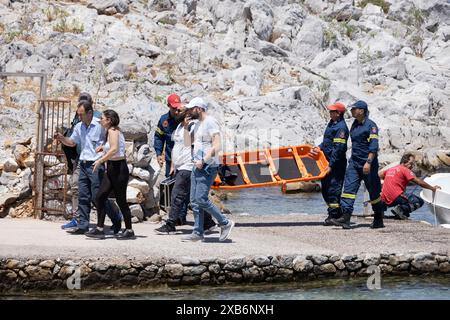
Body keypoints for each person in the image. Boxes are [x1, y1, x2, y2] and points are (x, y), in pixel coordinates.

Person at [55, 100, 122, 234]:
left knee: (98, 196)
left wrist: (104, 151)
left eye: (82, 114)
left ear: (90, 113)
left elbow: (113, 137)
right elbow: (72, 142)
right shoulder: (79, 126)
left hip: (96, 164)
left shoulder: (100, 124)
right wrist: (62, 139)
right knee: (83, 195)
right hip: (83, 163)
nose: (79, 117)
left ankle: (115, 219)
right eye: (78, 114)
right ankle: (83, 225)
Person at [154, 104, 216, 235]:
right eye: (176, 110)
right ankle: (209, 223)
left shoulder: (193, 127)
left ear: (187, 113)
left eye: (180, 110)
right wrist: (173, 165)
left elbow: (192, 144)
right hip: (179, 166)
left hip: (188, 166)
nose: (177, 112)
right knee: (193, 197)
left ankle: (171, 224)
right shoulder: (179, 127)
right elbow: (178, 146)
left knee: (177, 195)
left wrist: (188, 127)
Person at [181, 97, 234, 242]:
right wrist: (186, 127)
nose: (189, 111)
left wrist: (204, 160)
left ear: (199, 108)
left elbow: (217, 145)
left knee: (201, 199)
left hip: (207, 166)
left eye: (192, 108)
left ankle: (225, 222)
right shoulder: (197, 124)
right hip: (197, 165)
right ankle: (197, 232)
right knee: (194, 201)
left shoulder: (210, 122)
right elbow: (188, 143)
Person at [330, 100, 385, 229]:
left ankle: (378, 217)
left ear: (362, 110)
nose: (351, 111)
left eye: (354, 109)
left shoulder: (371, 126)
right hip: (354, 163)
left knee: (374, 192)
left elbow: (374, 147)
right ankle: (346, 218)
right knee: (348, 190)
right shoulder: (354, 124)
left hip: (368, 164)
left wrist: (368, 162)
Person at [85, 110, 135, 239]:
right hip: (112, 168)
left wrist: (100, 160)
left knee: (121, 201)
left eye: (102, 118)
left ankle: (129, 230)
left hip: (119, 169)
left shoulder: (113, 131)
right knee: (100, 197)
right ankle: (100, 228)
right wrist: (103, 148)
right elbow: (112, 148)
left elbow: (114, 149)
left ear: (109, 120)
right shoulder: (110, 132)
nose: (100, 120)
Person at [310, 103, 349, 226]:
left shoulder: (341, 128)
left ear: (339, 113)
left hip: (336, 164)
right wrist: (319, 148)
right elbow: (327, 142)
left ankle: (334, 215)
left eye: (332, 111)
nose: (330, 113)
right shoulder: (332, 124)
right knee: (326, 189)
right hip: (326, 161)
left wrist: (331, 165)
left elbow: (338, 149)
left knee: (333, 189)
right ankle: (336, 213)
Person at [379, 152, 440, 219]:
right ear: (405, 162)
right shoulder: (405, 170)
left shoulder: (391, 169)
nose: (412, 166)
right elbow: (419, 182)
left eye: (413, 164)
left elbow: (380, 175)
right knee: (419, 201)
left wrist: (386, 182)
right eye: (411, 163)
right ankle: (401, 210)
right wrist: (432, 188)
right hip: (396, 197)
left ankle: (382, 212)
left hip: (384, 198)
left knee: (392, 197)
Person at [154, 93, 183, 178]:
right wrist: (159, 153)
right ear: (168, 106)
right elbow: (159, 137)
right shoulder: (164, 120)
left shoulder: (185, 119)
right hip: (170, 159)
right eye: (174, 108)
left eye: (178, 107)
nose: (176, 111)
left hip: (184, 161)